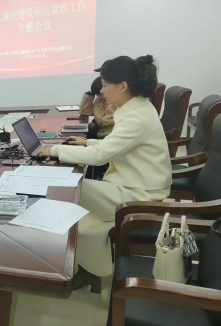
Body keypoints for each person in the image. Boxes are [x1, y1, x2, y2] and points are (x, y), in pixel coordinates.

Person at [38, 55, 172, 292]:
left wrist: (55, 150)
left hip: (139, 195)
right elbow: (117, 145)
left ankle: (85, 267)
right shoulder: (136, 107)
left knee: (66, 190)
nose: (101, 91)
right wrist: (87, 142)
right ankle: (90, 268)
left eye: (105, 84)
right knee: (72, 198)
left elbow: (100, 156)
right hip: (133, 184)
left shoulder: (136, 116)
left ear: (123, 86)